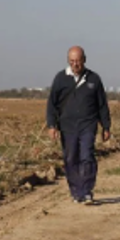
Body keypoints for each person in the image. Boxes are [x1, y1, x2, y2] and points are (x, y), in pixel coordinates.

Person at [46, 46, 111, 205]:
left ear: (84, 60)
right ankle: (76, 191)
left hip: (88, 125)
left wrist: (106, 127)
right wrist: (52, 125)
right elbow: (52, 104)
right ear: (68, 61)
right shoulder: (61, 78)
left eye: (78, 61)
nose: (75, 64)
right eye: (72, 61)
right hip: (67, 127)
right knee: (70, 158)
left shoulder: (94, 79)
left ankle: (87, 191)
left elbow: (102, 104)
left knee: (87, 156)